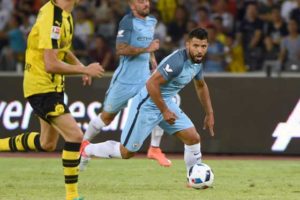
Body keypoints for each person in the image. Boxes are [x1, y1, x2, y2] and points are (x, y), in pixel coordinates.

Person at [81, 28, 215, 184]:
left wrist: (209, 113)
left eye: (203, 46)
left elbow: (200, 85)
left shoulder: (197, 62)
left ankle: (193, 180)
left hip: (166, 102)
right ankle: (86, 149)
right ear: (187, 45)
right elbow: (151, 83)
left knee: (193, 138)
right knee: (126, 152)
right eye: (196, 46)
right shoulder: (177, 62)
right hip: (147, 104)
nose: (199, 50)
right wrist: (164, 110)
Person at [0, 1, 104, 200]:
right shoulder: (52, 18)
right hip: (41, 86)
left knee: (47, 143)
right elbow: (50, 63)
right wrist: (84, 69)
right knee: (74, 135)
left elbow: (61, 49)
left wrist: (79, 64)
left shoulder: (65, 14)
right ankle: (72, 196)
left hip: (52, 87)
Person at [80, 0, 171, 170]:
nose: (145, 4)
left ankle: (155, 148)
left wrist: (153, 63)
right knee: (106, 117)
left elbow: (149, 48)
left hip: (144, 78)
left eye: (146, 1)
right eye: (140, 1)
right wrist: (146, 48)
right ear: (132, 6)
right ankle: (83, 148)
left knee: (159, 103)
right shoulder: (127, 22)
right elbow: (120, 49)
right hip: (125, 81)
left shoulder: (151, 21)